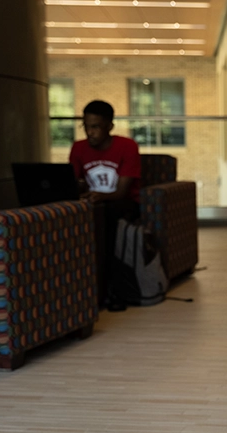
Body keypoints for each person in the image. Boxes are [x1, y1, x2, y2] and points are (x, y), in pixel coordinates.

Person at [70, 100, 142, 311]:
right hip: (92, 204)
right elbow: (74, 182)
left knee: (107, 219)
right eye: (86, 126)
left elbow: (122, 192)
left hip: (123, 204)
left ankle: (113, 290)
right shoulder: (78, 148)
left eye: (95, 126)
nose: (90, 132)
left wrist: (99, 197)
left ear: (110, 126)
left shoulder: (127, 146)